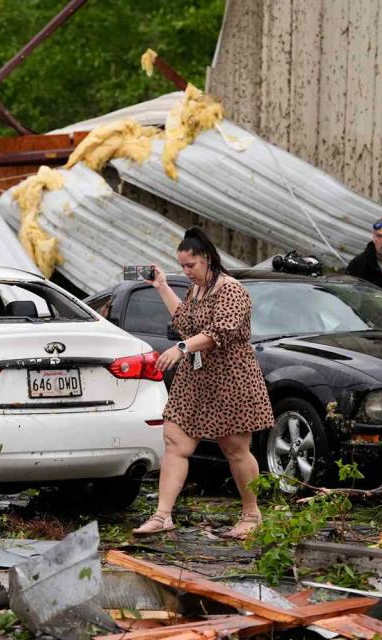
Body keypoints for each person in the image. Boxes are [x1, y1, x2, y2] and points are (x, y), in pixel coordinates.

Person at [132, 227, 274, 539]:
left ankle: (251, 514)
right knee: (175, 440)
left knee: (235, 447)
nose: (186, 272)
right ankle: (162, 515)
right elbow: (184, 322)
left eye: (190, 266)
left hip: (231, 376)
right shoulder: (196, 290)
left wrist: (180, 349)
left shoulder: (231, 291)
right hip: (196, 377)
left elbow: (217, 333)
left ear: (207, 259)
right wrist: (162, 286)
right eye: (181, 266)